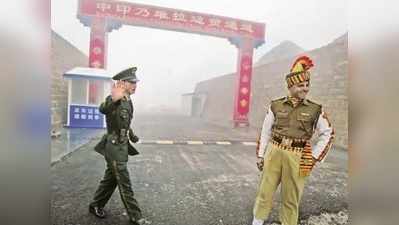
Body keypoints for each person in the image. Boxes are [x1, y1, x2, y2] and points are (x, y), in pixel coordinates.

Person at [252, 56, 335, 225]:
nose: (305, 89)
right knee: (264, 192)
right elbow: (265, 131)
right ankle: (257, 222)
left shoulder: (315, 109)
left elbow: (328, 133)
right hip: (273, 152)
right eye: (300, 85)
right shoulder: (276, 105)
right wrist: (261, 155)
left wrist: (313, 157)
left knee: (291, 198)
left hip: (298, 156)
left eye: (307, 85)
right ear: (290, 87)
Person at [89, 67, 150, 225]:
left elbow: (124, 122)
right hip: (114, 147)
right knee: (124, 182)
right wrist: (113, 99)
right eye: (132, 82)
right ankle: (136, 217)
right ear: (122, 83)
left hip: (122, 146)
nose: (135, 85)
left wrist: (132, 135)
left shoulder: (128, 100)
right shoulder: (115, 98)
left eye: (135, 82)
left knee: (111, 179)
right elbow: (103, 108)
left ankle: (96, 204)